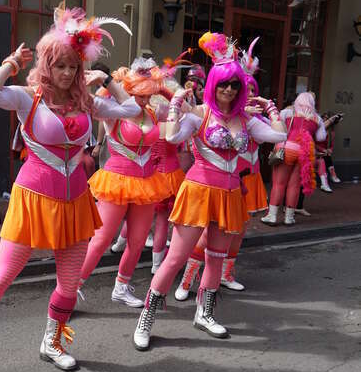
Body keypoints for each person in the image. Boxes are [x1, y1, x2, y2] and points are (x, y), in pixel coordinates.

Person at [0, 4, 138, 372]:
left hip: (76, 200)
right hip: (33, 199)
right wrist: (10, 62)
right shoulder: (29, 97)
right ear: (47, 64)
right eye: (61, 66)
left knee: (69, 285)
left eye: (74, 66)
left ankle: (51, 341)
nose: (69, 73)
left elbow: (132, 109)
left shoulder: (87, 103)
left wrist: (107, 78)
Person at [133, 32, 287, 351]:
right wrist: (176, 106)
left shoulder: (246, 119)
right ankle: (146, 318)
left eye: (234, 85)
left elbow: (279, 136)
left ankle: (205, 313)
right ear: (213, 84)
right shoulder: (201, 114)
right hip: (199, 191)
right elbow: (173, 138)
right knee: (175, 258)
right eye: (222, 84)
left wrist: (270, 106)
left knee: (215, 259)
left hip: (229, 195)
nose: (228, 90)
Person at [78, 56, 183, 307]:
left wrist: (161, 86)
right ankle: (72, 288)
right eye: (140, 94)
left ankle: (121, 287)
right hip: (116, 181)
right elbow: (95, 100)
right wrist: (111, 81)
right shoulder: (113, 112)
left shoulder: (152, 112)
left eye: (149, 95)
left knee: (137, 241)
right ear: (128, 91)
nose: (145, 100)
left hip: (146, 182)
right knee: (102, 239)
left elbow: (177, 105)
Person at [261, 92, 327, 226]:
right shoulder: (317, 118)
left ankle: (272, 216)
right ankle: (289, 218)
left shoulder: (287, 112)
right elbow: (321, 138)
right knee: (294, 185)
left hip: (287, 149)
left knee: (279, 184)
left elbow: (278, 128)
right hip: (305, 153)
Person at [316, 112, 344, 192]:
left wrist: (330, 150)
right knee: (325, 158)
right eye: (324, 118)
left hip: (324, 153)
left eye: (327, 118)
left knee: (326, 157)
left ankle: (329, 178)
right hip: (316, 151)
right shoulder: (319, 130)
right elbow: (314, 143)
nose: (326, 119)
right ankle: (332, 175)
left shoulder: (332, 133)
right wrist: (323, 150)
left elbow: (331, 145)